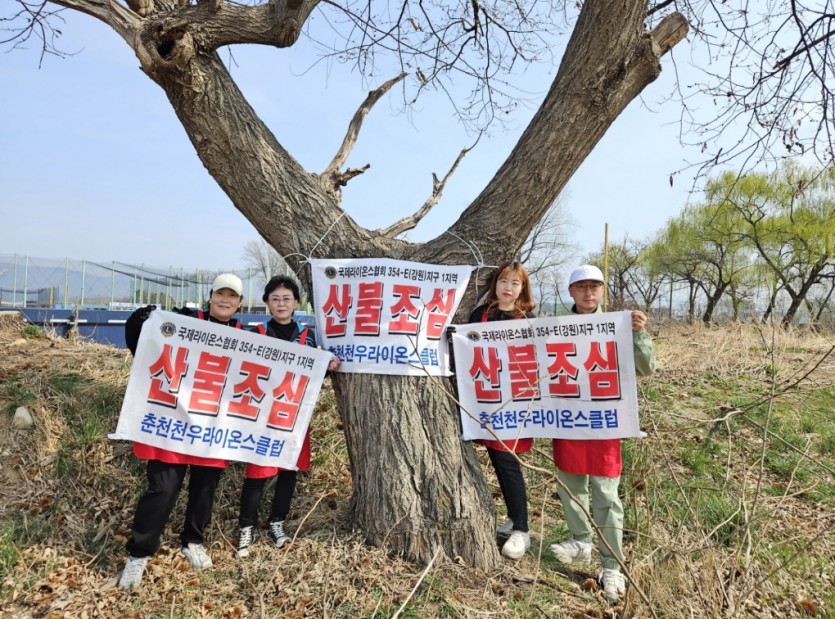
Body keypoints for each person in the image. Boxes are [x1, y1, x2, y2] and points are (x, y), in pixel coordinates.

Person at [118, 273, 246, 590]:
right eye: (220, 294)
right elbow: (142, 341)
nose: (225, 300)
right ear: (211, 296)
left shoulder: (248, 337)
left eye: (232, 296)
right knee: (162, 488)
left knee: (205, 489)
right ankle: (139, 554)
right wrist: (142, 319)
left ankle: (192, 541)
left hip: (213, 429)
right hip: (174, 424)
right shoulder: (185, 321)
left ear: (239, 303)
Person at [549, 264, 655, 603]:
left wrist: (638, 334)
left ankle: (612, 565)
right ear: (571, 292)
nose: (588, 292)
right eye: (581, 286)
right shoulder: (554, 327)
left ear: (602, 290)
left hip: (606, 420)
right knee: (570, 486)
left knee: (607, 494)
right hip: (567, 417)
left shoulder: (618, 326)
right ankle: (581, 541)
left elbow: (646, 368)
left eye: (594, 286)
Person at [235, 275, 340, 558]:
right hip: (261, 416)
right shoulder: (255, 334)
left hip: (294, 414)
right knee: (256, 473)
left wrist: (328, 364)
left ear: (296, 303)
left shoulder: (308, 337)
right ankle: (246, 527)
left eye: (287, 299)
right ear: (267, 303)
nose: (281, 304)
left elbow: (316, 371)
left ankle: (277, 523)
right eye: (275, 299)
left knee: (287, 471)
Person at [465, 260, 536, 560]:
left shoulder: (527, 319)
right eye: (503, 281)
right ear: (494, 284)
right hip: (484, 397)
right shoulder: (480, 315)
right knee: (494, 458)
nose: (508, 288)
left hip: (513, 401)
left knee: (507, 461)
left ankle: (522, 529)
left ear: (523, 288)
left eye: (515, 283)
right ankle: (512, 518)